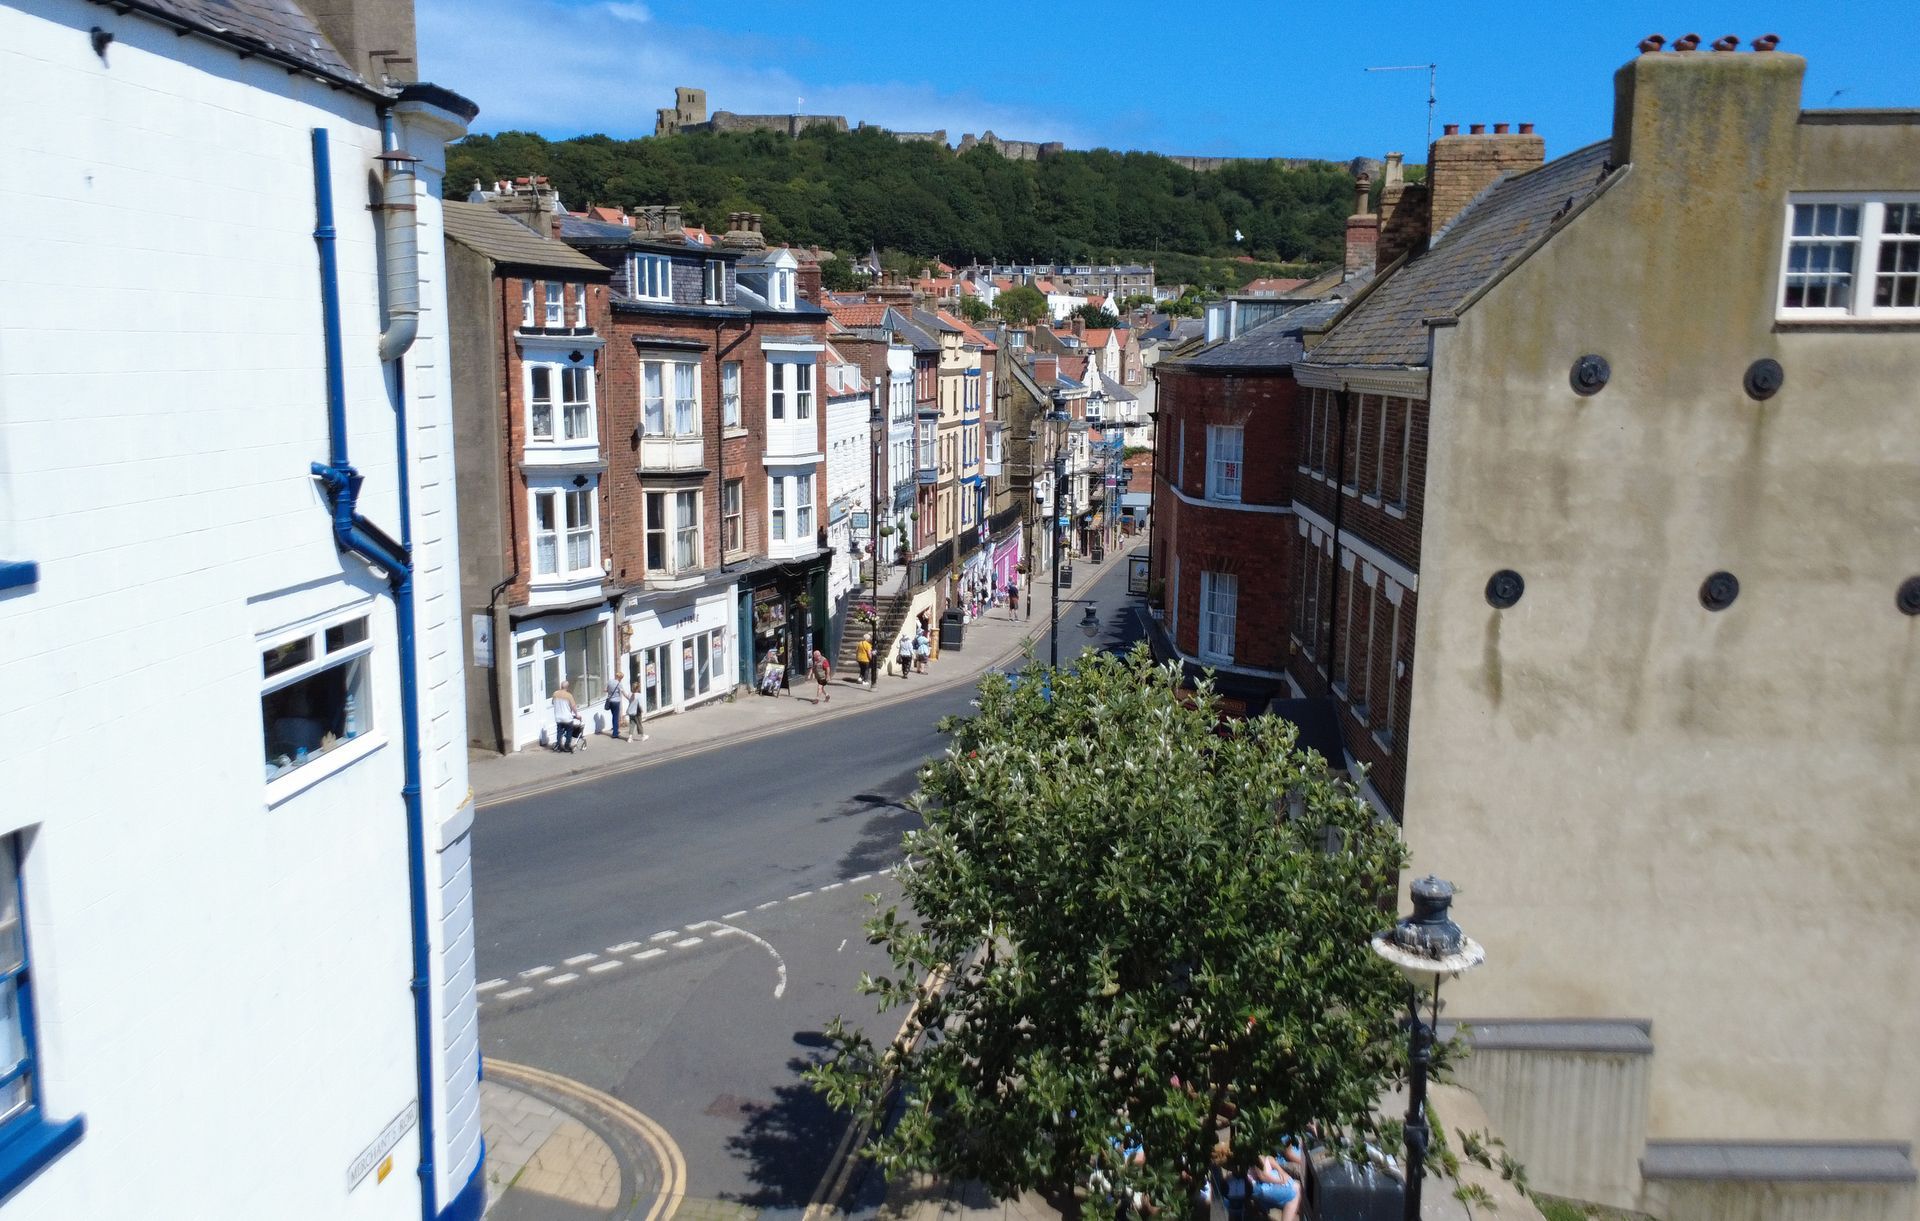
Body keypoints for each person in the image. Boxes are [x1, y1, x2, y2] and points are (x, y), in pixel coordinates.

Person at [550, 680, 583, 752]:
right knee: (569, 731)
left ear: (561, 686)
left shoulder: (555, 694)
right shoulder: (569, 695)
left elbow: (553, 703)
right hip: (567, 718)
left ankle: (558, 745)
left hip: (558, 717)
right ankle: (567, 746)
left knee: (559, 732)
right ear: (567, 687)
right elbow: (573, 706)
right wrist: (577, 715)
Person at [604, 670, 631, 741]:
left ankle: (615, 729)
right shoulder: (619, 684)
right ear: (620, 678)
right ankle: (615, 733)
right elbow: (623, 693)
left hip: (610, 701)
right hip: (616, 702)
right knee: (615, 717)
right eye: (621, 678)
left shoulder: (609, 681)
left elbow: (605, 690)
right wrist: (629, 699)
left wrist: (610, 691)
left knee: (614, 716)